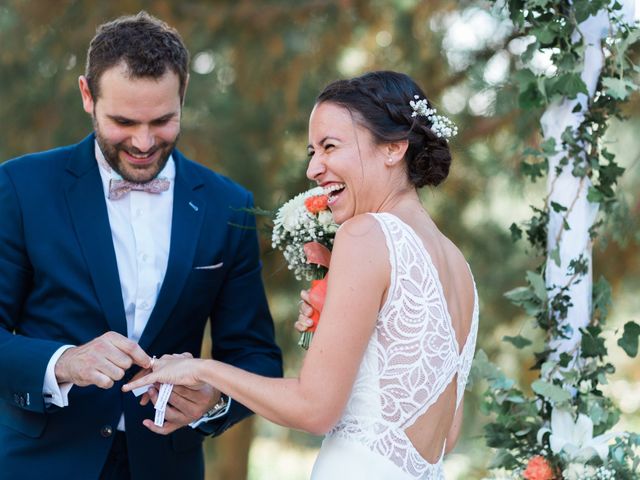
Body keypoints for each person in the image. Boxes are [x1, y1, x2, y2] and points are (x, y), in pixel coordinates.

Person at [124, 70, 478, 479]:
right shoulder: (458, 267)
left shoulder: (365, 234)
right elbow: (446, 434)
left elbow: (314, 409)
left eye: (330, 147)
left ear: (394, 148)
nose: (314, 168)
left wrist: (202, 369)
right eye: (312, 152)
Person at [0, 11, 282, 480]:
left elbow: (256, 356)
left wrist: (213, 399)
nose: (144, 142)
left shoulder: (228, 205)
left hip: (166, 465)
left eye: (163, 121)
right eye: (124, 121)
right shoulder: (19, 187)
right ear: (87, 95)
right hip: (39, 464)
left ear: (184, 93)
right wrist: (64, 362)